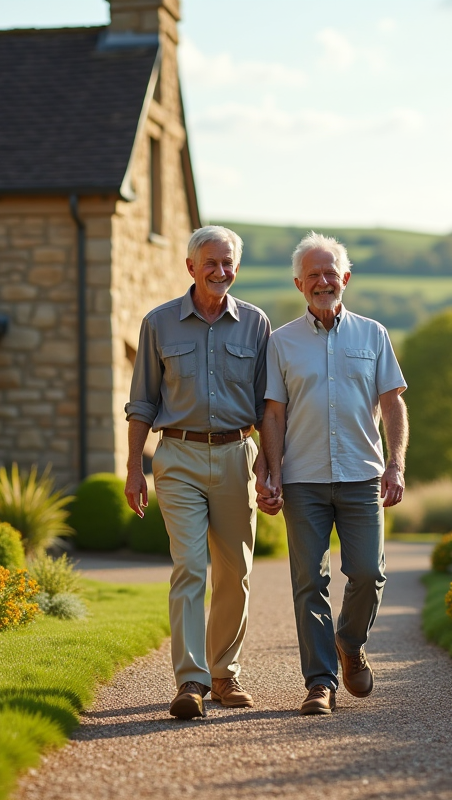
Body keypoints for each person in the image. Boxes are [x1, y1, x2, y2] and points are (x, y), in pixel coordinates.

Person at [124, 225, 278, 719]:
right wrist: (133, 468)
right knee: (189, 566)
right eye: (210, 263)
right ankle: (190, 682)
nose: (220, 271)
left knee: (235, 572)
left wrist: (270, 470)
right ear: (190, 267)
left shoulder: (256, 324)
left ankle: (224, 674)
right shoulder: (158, 323)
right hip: (178, 457)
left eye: (228, 262)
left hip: (237, 455)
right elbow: (142, 402)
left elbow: (268, 407)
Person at [259, 231, 409, 715]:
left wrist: (396, 463)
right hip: (302, 478)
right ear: (300, 283)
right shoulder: (280, 342)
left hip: (362, 475)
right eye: (313, 275)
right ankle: (319, 682)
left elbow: (392, 403)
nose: (323, 281)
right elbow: (274, 414)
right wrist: (272, 471)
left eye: (331, 273)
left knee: (369, 572)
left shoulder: (374, 335)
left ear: (344, 278)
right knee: (309, 581)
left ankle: (349, 641)